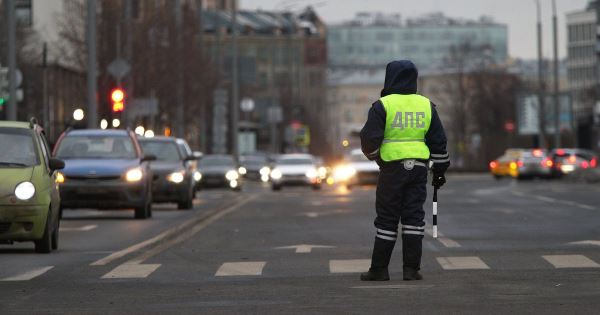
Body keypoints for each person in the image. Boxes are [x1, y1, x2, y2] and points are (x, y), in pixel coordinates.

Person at [359, 60, 450, 281]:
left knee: (387, 219)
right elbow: (438, 142)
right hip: (418, 169)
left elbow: (368, 141)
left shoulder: (383, 105)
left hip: (391, 170)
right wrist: (439, 171)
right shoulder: (426, 105)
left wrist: (378, 159)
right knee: (414, 219)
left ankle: (379, 270)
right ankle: (411, 270)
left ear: (389, 78)